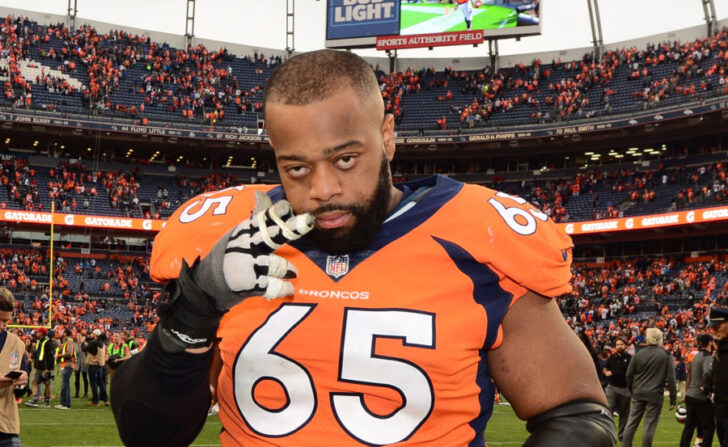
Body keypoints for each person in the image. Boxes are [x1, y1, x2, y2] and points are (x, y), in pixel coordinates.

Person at [111, 49, 616, 447]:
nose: (323, 188)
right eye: (297, 167)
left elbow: (577, 416)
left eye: (346, 159)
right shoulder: (235, 245)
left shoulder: (475, 240)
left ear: (387, 137)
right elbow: (147, 434)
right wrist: (193, 311)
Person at [621, 327, 677, 447]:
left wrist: (632, 389)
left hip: (638, 391)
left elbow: (629, 374)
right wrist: (673, 398)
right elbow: (671, 378)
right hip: (655, 394)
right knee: (649, 425)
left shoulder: (639, 353)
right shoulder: (666, 355)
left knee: (631, 423)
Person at [0, 288, 29, 447]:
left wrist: (22, 380)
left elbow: (21, 389)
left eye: (5, 321)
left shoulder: (17, 344)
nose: (1, 326)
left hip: (7, 425)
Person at [680, 333, 715, 447]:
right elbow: (706, 372)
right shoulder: (707, 356)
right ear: (710, 342)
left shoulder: (696, 355)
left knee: (689, 427)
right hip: (700, 397)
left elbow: (690, 374)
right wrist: (707, 389)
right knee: (709, 426)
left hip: (691, 394)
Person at [604, 337, 631, 442]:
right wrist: (606, 372)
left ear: (626, 346)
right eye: (617, 345)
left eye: (621, 344)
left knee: (624, 413)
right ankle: (608, 433)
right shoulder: (611, 358)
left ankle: (621, 435)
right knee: (608, 410)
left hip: (625, 388)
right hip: (612, 387)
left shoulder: (630, 358)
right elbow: (605, 368)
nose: (619, 346)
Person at [710, 307, 728, 447]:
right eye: (712, 326)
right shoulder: (719, 351)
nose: (714, 330)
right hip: (721, 411)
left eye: (718, 326)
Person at [25, 327, 54, 408]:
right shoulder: (39, 342)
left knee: (47, 384)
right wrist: (33, 356)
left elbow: (50, 356)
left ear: (42, 333)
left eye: (38, 332)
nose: (37, 333)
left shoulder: (48, 342)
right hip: (38, 366)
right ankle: (35, 399)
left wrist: (48, 368)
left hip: (45, 367)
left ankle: (47, 401)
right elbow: (38, 353)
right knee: (34, 381)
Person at [83, 329, 108, 407]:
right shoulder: (103, 343)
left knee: (93, 383)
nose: (91, 335)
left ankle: (95, 401)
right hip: (100, 365)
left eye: (92, 334)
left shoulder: (93, 343)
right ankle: (106, 399)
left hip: (93, 365)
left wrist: (83, 343)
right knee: (101, 383)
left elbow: (83, 349)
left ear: (95, 335)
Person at [55, 328, 76, 410]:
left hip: (68, 365)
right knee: (65, 384)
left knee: (64, 384)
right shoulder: (67, 342)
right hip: (66, 365)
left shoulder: (69, 341)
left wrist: (59, 355)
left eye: (63, 332)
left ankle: (65, 404)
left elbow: (69, 353)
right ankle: (66, 403)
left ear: (65, 333)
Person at [73, 332, 88, 398]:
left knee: (85, 378)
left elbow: (88, 354)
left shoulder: (85, 344)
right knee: (77, 379)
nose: (78, 337)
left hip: (84, 363)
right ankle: (77, 393)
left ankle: (86, 393)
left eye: (80, 336)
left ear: (82, 337)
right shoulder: (74, 345)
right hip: (77, 364)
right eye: (77, 336)